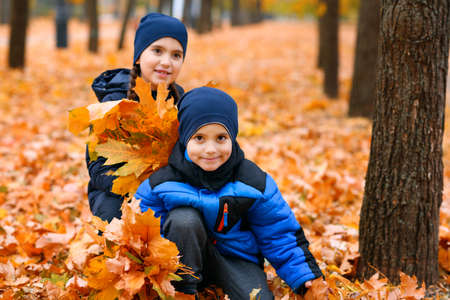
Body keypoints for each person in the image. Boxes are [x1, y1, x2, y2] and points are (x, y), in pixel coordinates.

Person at [134, 87, 323, 299]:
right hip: (183, 261)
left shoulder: (253, 182)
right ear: (185, 137)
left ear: (233, 137)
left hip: (235, 258)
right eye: (199, 138)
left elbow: (278, 232)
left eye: (221, 138)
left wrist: (304, 276)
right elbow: (141, 230)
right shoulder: (162, 183)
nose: (211, 149)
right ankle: (183, 292)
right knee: (183, 219)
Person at [87, 13, 188, 222]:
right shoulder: (115, 103)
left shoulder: (182, 103)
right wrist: (140, 188)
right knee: (113, 212)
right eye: (157, 51)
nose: (166, 62)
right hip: (118, 192)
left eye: (176, 55)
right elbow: (97, 167)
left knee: (189, 216)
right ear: (139, 56)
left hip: (170, 189)